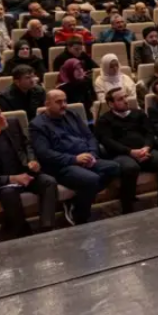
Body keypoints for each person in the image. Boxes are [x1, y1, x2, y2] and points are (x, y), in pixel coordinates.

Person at [30, 90, 126, 225]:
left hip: (85, 158)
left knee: (114, 167)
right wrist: (75, 159)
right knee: (91, 179)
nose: (63, 105)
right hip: (62, 165)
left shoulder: (72, 115)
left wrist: (92, 155)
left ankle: (76, 202)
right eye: (58, 102)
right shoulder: (38, 125)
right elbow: (44, 153)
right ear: (47, 104)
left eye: (65, 101)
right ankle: (80, 216)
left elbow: (90, 137)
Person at [0, 104, 58, 238]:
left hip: (24, 173)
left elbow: (26, 144)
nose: (2, 117)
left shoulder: (12, 124)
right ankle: (21, 231)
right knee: (9, 192)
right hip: (2, 184)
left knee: (48, 182)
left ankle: (47, 226)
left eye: (0, 112)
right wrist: (12, 179)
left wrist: (32, 160)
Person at [95, 87, 158, 207]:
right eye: (120, 99)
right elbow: (107, 142)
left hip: (144, 150)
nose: (126, 100)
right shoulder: (104, 120)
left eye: (125, 97)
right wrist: (130, 152)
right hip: (121, 153)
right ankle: (127, 206)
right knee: (131, 167)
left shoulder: (139, 113)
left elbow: (150, 133)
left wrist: (147, 147)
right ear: (111, 104)